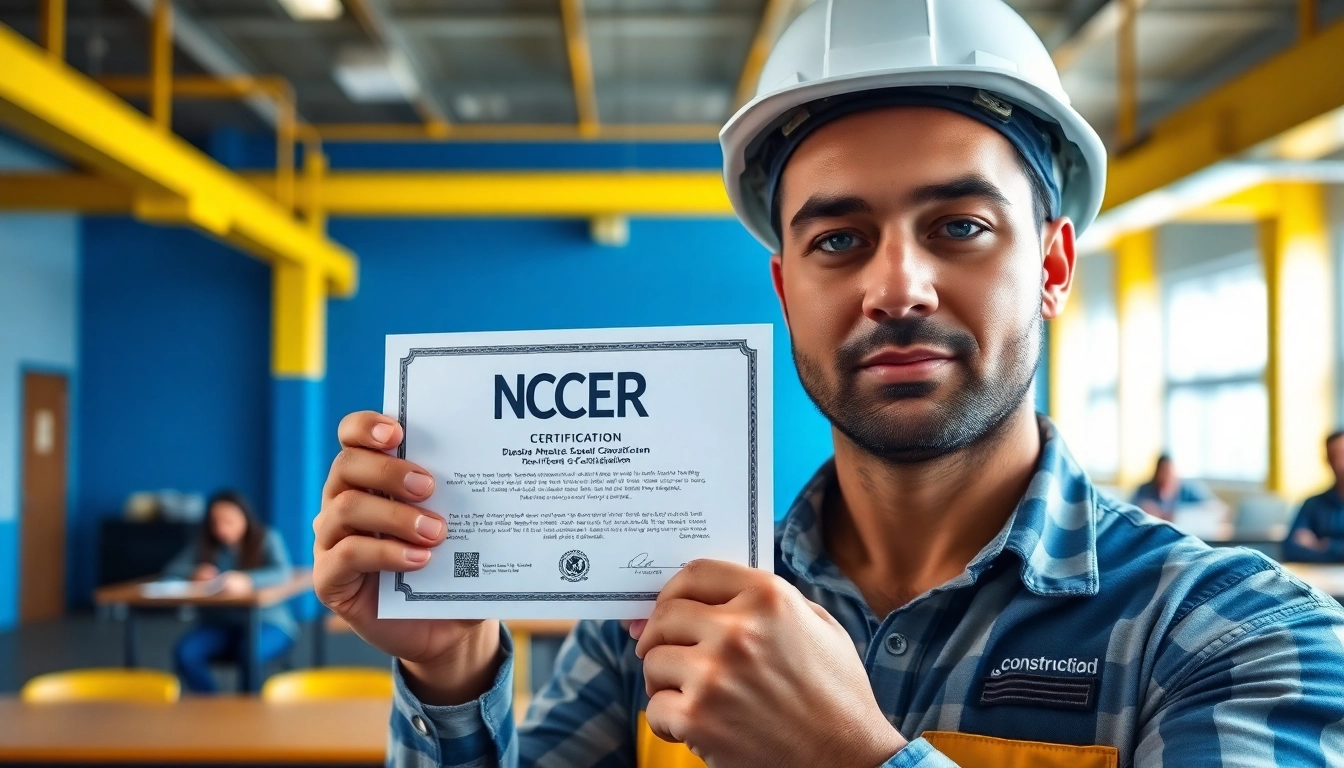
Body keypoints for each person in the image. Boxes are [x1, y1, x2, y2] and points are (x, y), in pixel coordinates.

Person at [312, 1, 1344, 765]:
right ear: (787, 289)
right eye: (839, 239)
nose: (896, 287)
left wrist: (850, 754)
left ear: (1054, 266)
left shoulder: (1236, 635)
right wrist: (450, 673)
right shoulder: (656, 598)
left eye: (960, 227)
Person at [164, 489, 296, 693]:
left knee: (248, 651)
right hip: (221, 623)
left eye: (229, 520)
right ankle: (215, 709)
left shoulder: (266, 538)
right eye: (216, 522)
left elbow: (283, 573)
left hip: (267, 622)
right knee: (186, 652)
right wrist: (194, 574)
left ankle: (248, 714)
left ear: (245, 517)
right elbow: (171, 571)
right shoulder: (206, 545)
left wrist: (248, 580)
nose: (222, 528)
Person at [1282, 430, 1344, 562]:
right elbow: (1290, 548)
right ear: (1327, 460)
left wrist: (1324, 546)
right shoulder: (1313, 503)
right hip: (1320, 579)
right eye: (1335, 456)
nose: (1340, 464)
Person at [1131, 455, 1220, 522]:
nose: (1166, 476)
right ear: (1156, 472)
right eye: (1163, 471)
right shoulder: (1145, 490)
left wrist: (1179, 513)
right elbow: (1130, 511)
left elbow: (1215, 507)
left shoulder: (1190, 488)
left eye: (1169, 472)